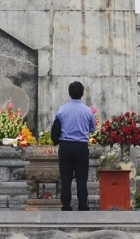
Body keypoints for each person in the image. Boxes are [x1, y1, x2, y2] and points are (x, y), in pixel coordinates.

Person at [51, 80, 96, 211]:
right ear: (82, 94)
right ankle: (82, 205)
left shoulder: (62, 110)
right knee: (82, 179)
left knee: (66, 179)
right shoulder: (88, 111)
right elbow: (92, 129)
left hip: (65, 146)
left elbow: (56, 128)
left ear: (69, 94)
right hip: (81, 146)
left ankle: (66, 205)